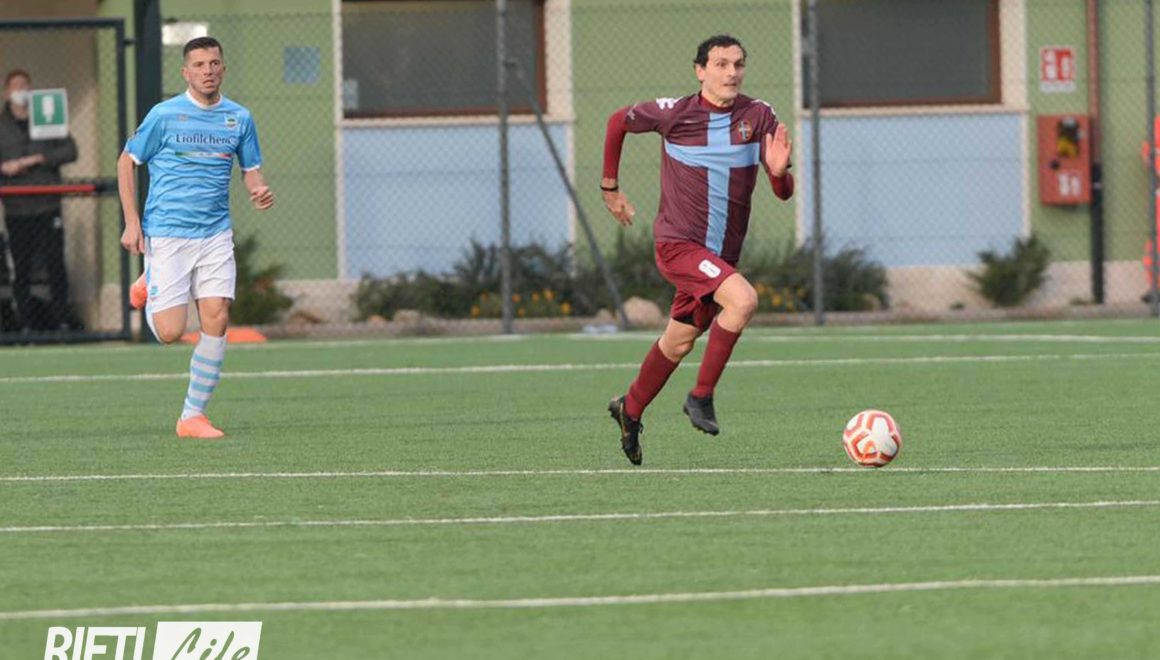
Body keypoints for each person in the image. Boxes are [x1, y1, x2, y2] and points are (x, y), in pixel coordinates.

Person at [602, 35, 794, 465]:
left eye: (738, 64)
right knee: (743, 300)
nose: (731, 72)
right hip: (679, 245)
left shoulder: (759, 116)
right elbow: (617, 121)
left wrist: (780, 173)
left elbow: (783, 192)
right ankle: (701, 396)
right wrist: (609, 187)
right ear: (700, 71)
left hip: (720, 257)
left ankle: (629, 409)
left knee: (679, 341)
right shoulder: (675, 113)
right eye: (721, 64)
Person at [118, 36, 274, 439]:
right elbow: (126, 162)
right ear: (186, 72)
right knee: (170, 332)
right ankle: (150, 278)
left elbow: (251, 171)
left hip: (215, 234)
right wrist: (132, 222)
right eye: (200, 65)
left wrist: (257, 189)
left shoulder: (239, 118)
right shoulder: (164, 115)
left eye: (214, 63)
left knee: (217, 317)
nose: (208, 71)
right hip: (167, 234)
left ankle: (192, 416)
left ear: (223, 68)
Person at [0, 69, 81, 331]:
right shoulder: (2, 126)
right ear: (7, 92)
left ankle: (61, 320)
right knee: (21, 267)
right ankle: (24, 324)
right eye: (15, 86)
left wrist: (37, 159)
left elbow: (70, 150)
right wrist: (6, 167)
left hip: (47, 205)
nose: (20, 91)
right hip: (17, 209)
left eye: (25, 85)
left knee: (55, 264)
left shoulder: (48, 120)